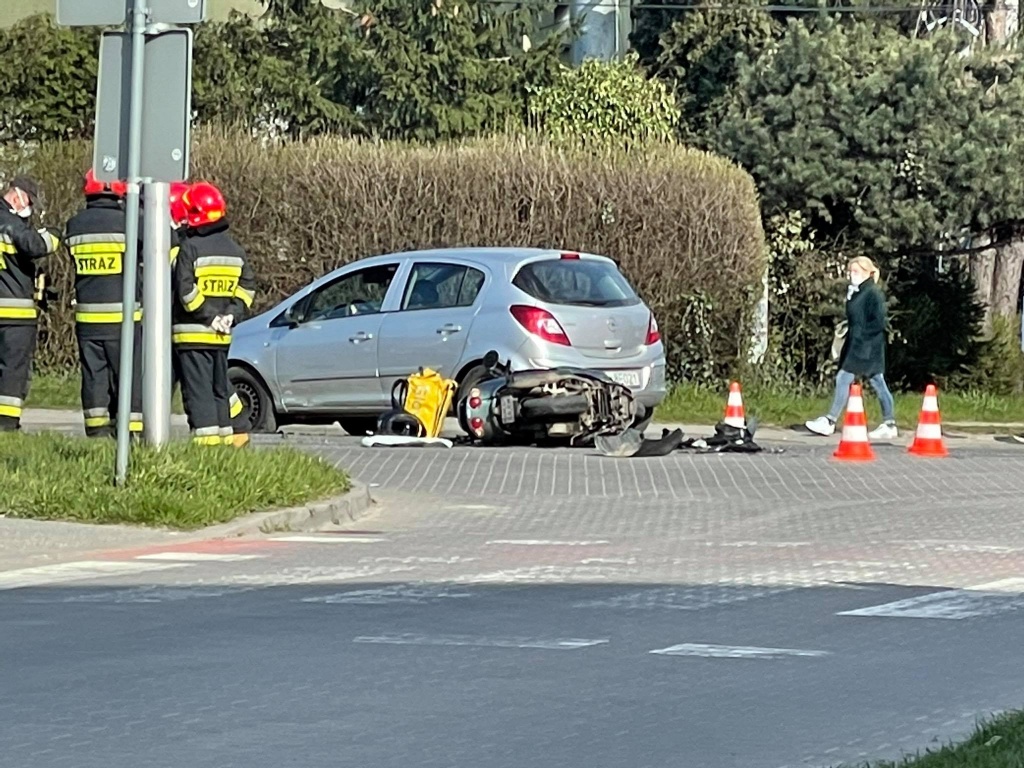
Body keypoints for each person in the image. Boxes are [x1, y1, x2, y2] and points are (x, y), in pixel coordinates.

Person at [172, 181, 256, 446]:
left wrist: (208, 316)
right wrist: (231, 314)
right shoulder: (235, 250)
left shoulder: (190, 248)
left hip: (193, 334)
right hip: (222, 337)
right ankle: (226, 441)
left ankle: (207, 450)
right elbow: (247, 288)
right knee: (220, 390)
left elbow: (186, 291)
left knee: (199, 394)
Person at [63, 170, 144, 438]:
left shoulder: (74, 225)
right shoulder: (129, 222)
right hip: (123, 319)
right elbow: (165, 242)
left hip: (88, 319)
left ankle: (96, 434)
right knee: (128, 377)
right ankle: (130, 434)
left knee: (94, 377)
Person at [805, 256, 898, 440]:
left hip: (866, 345)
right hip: (856, 344)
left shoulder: (872, 293)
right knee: (876, 381)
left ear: (866, 272)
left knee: (845, 378)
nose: (851, 275)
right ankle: (889, 423)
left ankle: (830, 421)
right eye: (850, 271)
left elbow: (878, 321)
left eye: (855, 272)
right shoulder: (857, 291)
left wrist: (861, 336)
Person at [0, 176, 61, 431]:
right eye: (29, 202)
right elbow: (36, 245)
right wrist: (55, 233)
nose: (30, 208)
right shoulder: (11, 225)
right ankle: (6, 424)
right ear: (16, 196)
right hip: (14, 312)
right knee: (13, 370)